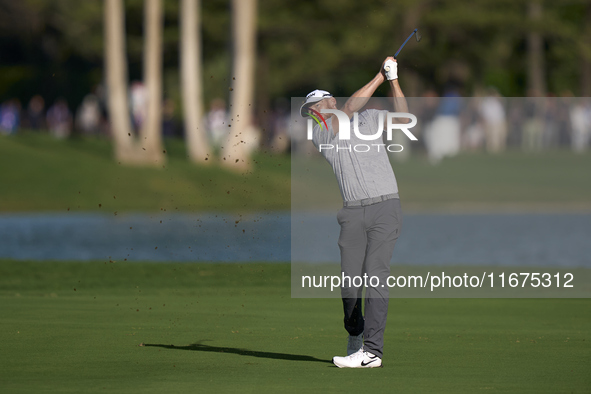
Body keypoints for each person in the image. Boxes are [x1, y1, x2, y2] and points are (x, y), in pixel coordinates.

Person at [300, 56, 407, 368]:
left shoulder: (370, 118)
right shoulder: (322, 133)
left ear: (329, 101)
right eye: (309, 112)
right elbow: (346, 112)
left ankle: (372, 352)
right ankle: (355, 332)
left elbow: (404, 118)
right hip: (352, 214)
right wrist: (379, 75)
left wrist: (394, 80)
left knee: (376, 275)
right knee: (349, 286)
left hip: (386, 206)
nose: (313, 114)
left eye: (316, 107)